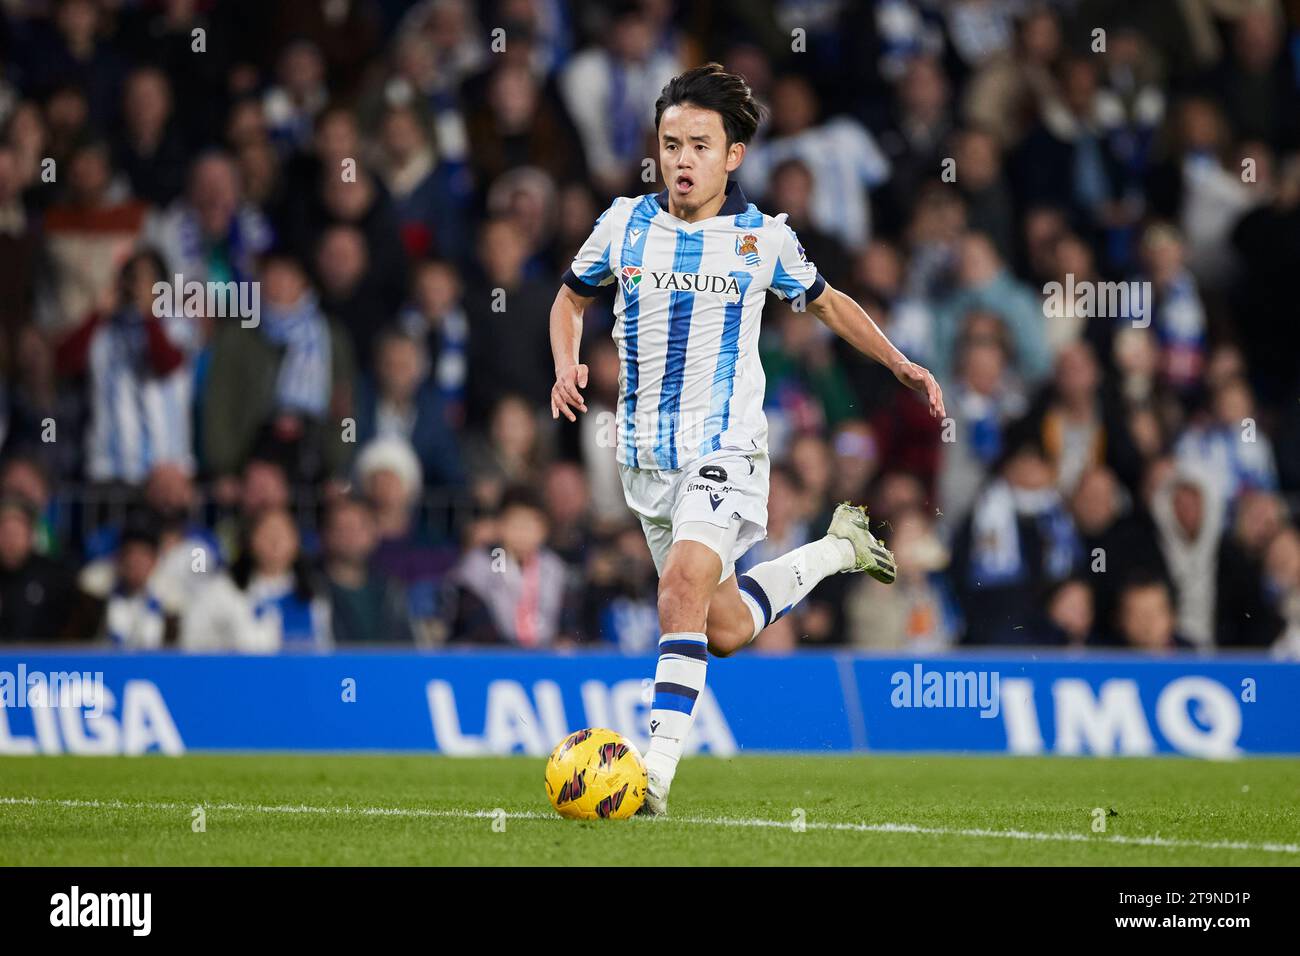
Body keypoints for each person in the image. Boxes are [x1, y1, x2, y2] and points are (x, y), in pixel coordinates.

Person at [548, 64, 945, 815]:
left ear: (732, 155)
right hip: (644, 459)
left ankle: (652, 775)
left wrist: (897, 361)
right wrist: (567, 360)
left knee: (680, 589)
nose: (682, 160)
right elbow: (568, 301)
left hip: (725, 449)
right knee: (721, 628)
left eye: (700, 144)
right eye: (671, 144)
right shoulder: (624, 224)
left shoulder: (763, 240)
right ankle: (839, 549)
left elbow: (829, 306)